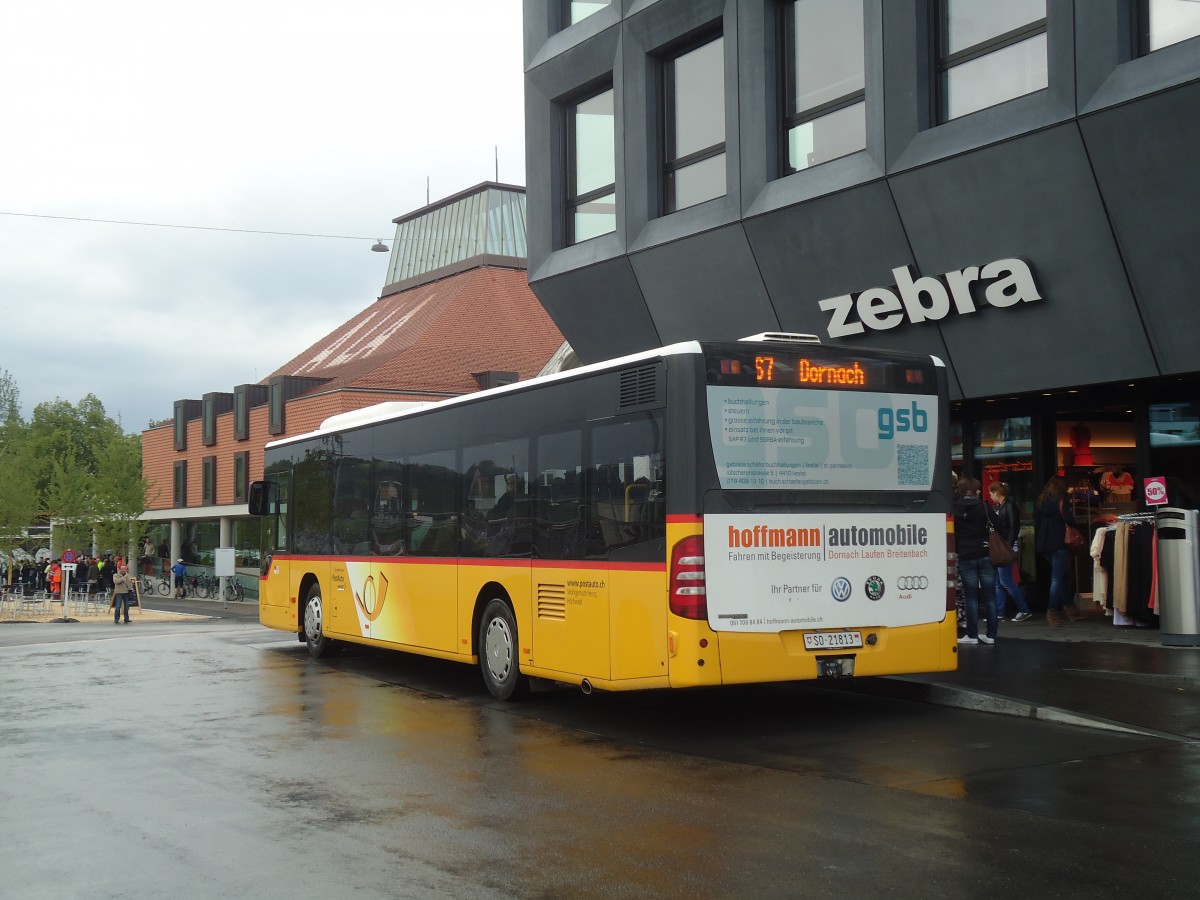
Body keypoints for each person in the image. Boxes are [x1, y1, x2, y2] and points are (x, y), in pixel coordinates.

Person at [1034, 476, 1086, 626]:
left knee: (1062, 576)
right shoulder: (1061, 501)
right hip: (1060, 543)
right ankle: (1052, 612)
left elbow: (1038, 522)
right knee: (1058, 578)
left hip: (1045, 544)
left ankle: (1070, 609)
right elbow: (1069, 519)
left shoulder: (1042, 502)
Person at [954, 475, 997, 645]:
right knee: (990, 597)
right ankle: (991, 635)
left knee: (971, 597)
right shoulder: (985, 507)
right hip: (985, 552)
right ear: (975, 491)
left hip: (965, 554)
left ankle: (972, 634)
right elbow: (999, 525)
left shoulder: (955, 508)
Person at [989, 482, 1032, 623]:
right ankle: (1000, 612)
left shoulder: (1008, 506)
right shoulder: (1002, 506)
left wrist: (1007, 544)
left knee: (1005, 581)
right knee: (999, 582)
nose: (990, 496)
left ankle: (1024, 609)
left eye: (991, 493)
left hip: (1004, 547)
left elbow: (1013, 526)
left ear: (996, 492)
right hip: (1002, 546)